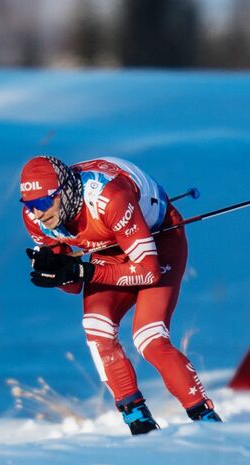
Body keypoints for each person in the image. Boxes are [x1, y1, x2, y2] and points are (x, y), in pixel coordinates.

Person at [19, 154, 221, 434]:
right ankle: (137, 420)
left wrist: (83, 271)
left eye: (43, 202)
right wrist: (56, 273)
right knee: (96, 328)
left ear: (64, 192)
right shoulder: (35, 218)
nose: (38, 212)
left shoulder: (109, 197)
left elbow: (149, 271)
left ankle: (206, 420)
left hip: (157, 240)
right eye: (29, 205)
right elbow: (73, 286)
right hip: (109, 248)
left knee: (149, 337)